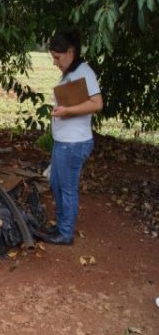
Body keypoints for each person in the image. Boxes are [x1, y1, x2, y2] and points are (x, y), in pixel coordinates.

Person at [46, 30, 103, 245]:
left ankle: (65, 233)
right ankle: (61, 226)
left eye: (57, 58)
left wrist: (67, 112)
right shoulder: (72, 72)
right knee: (57, 184)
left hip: (74, 143)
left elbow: (97, 103)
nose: (55, 62)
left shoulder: (84, 72)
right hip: (64, 142)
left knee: (66, 187)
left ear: (71, 52)